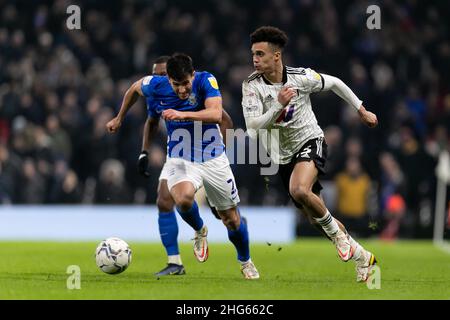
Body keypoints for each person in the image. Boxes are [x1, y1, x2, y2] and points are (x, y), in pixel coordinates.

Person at [241, 26, 378, 282]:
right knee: (316, 218)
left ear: (277, 56)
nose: (255, 59)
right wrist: (278, 105)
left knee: (299, 190)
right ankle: (362, 256)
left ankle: (339, 238)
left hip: (310, 140)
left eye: (260, 54)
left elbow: (335, 83)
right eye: (253, 54)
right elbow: (251, 126)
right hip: (282, 157)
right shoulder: (251, 86)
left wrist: (361, 109)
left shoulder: (301, 77)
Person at [107, 53, 259, 279]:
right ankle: (199, 230)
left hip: (213, 158)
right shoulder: (155, 85)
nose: (182, 90)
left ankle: (245, 261)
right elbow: (133, 89)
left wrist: (181, 113)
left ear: (193, 74)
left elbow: (217, 114)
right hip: (181, 158)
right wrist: (119, 118)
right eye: (176, 85)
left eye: (186, 83)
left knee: (231, 220)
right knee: (183, 199)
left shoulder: (206, 80)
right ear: (168, 79)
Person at [138, 56, 235, 276]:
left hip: (207, 155)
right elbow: (152, 122)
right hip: (178, 155)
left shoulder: (197, 92)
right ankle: (175, 262)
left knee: (180, 200)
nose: (159, 79)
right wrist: (144, 152)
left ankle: (207, 209)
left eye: (163, 75)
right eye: (156, 75)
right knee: (164, 200)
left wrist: (223, 156)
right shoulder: (156, 94)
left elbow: (225, 120)